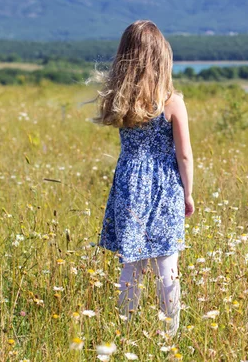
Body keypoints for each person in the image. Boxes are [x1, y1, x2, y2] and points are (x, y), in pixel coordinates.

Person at [93, 20, 194, 337]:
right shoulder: (172, 102)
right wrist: (188, 194)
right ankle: (170, 333)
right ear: (164, 58)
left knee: (131, 264)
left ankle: (125, 330)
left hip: (128, 184)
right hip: (164, 187)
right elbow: (185, 155)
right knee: (167, 264)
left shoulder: (120, 100)